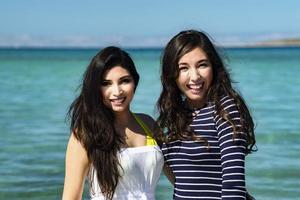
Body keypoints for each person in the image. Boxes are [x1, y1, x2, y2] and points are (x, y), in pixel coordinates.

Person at [155, 30, 256, 199]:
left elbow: (234, 185)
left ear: (213, 67)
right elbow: (182, 180)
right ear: (172, 74)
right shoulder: (175, 114)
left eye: (202, 65)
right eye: (183, 68)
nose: (194, 77)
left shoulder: (224, 108)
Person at [62, 46, 166, 200]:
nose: (117, 92)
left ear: (134, 83)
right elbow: (71, 197)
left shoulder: (148, 124)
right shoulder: (85, 134)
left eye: (124, 81)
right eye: (106, 83)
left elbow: (180, 176)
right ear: (96, 88)